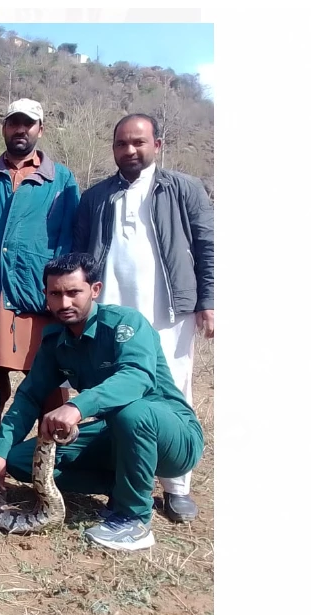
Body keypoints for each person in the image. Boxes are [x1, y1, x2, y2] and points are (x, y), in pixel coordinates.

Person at [0, 253, 204, 551]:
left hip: (171, 436)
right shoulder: (55, 339)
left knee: (132, 412)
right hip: (116, 433)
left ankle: (134, 519)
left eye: (74, 292)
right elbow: (29, 397)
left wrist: (76, 406)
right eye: (55, 294)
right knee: (23, 461)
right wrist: (0, 452)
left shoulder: (125, 324)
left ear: (94, 290)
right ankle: (124, 486)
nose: (64, 303)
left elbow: (136, 378)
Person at [73, 113, 214, 523]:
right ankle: (120, 480)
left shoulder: (183, 189)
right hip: (113, 317)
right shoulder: (96, 196)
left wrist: (209, 300)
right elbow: (82, 257)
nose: (130, 150)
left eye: (138, 142)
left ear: (157, 144)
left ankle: (176, 486)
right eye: (122, 144)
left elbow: (207, 246)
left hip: (168, 312)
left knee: (171, 392)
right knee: (111, 391)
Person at [0, 97, 81, 451]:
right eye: (13, 122)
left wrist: (61, 294)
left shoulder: (62, 181)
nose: (20, 129)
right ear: (4, 127)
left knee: (47, 383)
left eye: (28, 123)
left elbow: (68, 243)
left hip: (38, 299)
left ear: (41, 129)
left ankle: (49, 458)